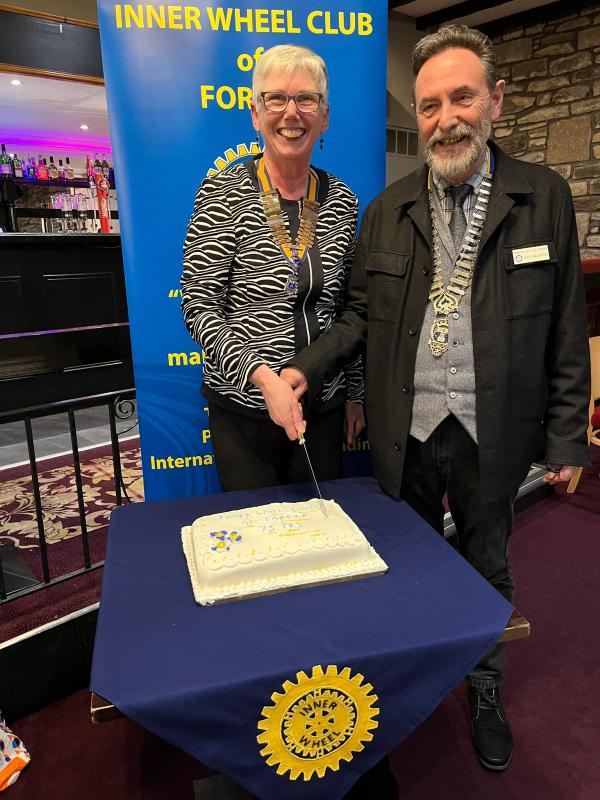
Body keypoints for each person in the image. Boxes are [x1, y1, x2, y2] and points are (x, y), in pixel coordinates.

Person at [284, 25, 591, 772]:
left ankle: (483, 683)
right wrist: (305, 368)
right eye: (428, 105)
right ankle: (412, 683)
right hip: (407, 429)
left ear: (494, 99)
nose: (445, 117)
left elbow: (564, 327)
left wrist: (565, 439)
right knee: (406, 566)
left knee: (488, 564)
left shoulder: (541, 198)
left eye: (461, 97)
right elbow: (356, 314)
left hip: (494, 430)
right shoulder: (387, 210)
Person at [180, 44, 364, 492]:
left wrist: (355, 394)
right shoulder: (222, 193)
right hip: (244, 409)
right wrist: (265, 380)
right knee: (257, 540)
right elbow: (198, 306)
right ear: (255, 113)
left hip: (321, 404)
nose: (291, 113)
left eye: (306, 99)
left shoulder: (343, 200)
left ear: (324, 116)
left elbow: (351, 308)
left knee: (319, 538)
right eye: (275, 99)